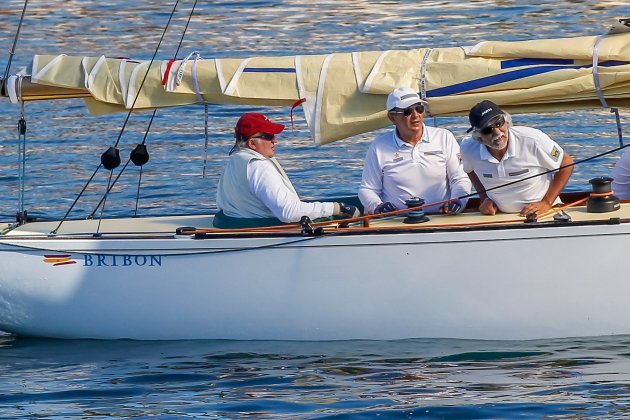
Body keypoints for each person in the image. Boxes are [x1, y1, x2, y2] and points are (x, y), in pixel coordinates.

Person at [214, 112, 359, 228]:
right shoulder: (259, 166)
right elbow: (287, 212)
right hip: (266, 237)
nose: (275, 140)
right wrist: (337, 208)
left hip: (236, 228)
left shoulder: (233, 162)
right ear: (252, 143)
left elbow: (222, 206)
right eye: (268, 136)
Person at [358, 87, 471, 215]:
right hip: (396, 222)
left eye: (419, 108)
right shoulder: (378, 147)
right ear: (392, 117)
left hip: (442, 218)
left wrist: (458, 201)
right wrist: (378, 206)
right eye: (407, 111)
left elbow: (460, 179)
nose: (416, 115)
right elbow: (367, 189)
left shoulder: (444, 137)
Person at [459, 100, 574, 216]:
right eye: (487, 130)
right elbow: (470, 170)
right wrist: (484, 199)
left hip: (543, 214)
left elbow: (566, 163)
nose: (497, 132)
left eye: (499, 123)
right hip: (498, 217)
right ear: (478, 138)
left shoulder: (533, 139)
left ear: (507, 123)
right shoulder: (468, 149)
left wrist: (546, 203)